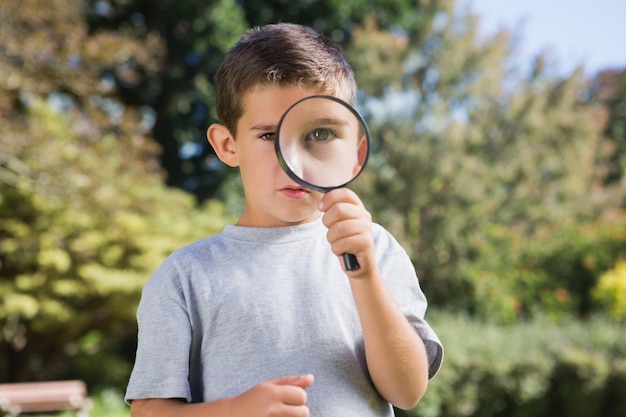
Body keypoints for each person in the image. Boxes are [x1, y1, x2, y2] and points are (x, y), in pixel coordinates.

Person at [125, 23, 443, 417]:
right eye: (267, 136)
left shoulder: (376, 249)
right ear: (228, 145)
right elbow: (149, 412)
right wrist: (233, 412)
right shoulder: (185, 276)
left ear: (356, 155)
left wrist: (365, 276)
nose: (293, 162)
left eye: (321, 134)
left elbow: (407, 391)